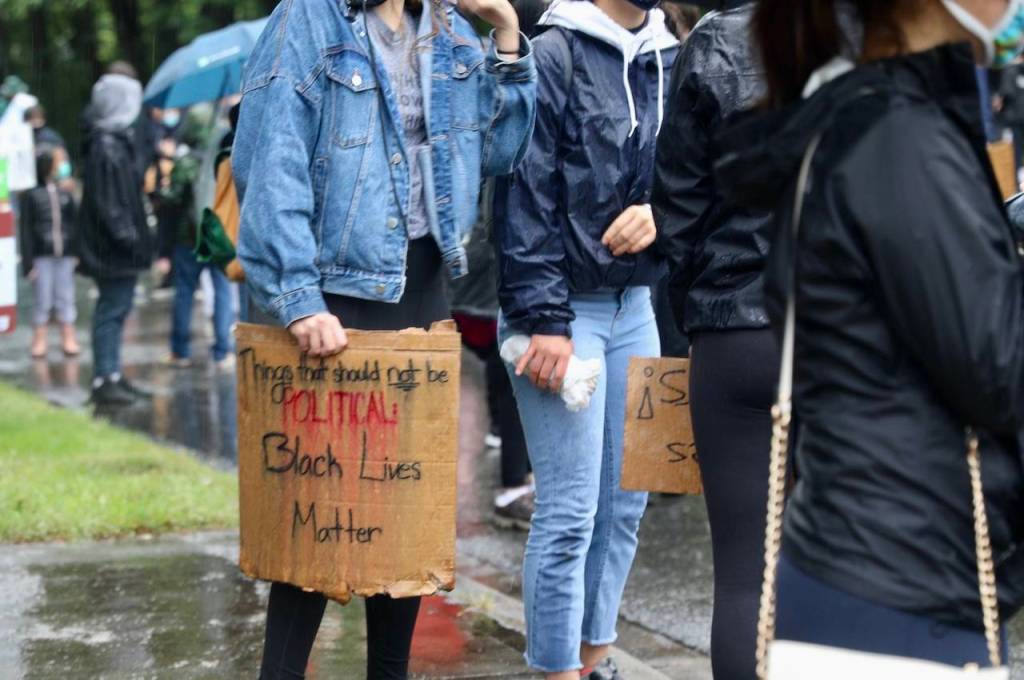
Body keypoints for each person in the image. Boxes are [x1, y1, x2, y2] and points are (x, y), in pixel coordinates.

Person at [714, 0, 1024, 669]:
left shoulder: (878, 123)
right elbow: (1000, 370)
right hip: (895, 585)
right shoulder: (898, 139)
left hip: (882, 574)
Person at [232, 0, 536, 676]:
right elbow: (269, 158)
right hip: (334, 300)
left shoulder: (453, 29)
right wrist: (297, 295)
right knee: (314, 523)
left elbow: (501, 151)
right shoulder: (307, 20)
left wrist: (508, 37)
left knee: (403, 524)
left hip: (423, 290)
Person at [493, 0, 677, 676]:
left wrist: (660, 212)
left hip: (637, 305)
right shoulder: (554, 54)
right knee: (571, 512)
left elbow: (692, 177)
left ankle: (596, 657)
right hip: (563, 310)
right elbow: (522, 194)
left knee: (628, 503)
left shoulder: (669, 55)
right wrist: (545, 319)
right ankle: (555, 669)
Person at [651, 3, 775, 679]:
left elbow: (677, 206)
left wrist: (694, 317)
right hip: (851, 338)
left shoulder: (717, 39)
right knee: (845, 572)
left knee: (742, 576)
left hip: (735, 329)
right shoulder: (887, 37)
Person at [78, 69, 152, 406]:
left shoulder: (111, 141)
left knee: (117, 310)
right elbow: (111, 205)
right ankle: (105, 378)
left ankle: (112, 374)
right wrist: (132, 240)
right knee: (112, 310)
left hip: (115, 248)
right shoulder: (106, 145)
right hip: (113, 250)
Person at [156, 109, 234, 369]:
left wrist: (163, 190)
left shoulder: (186, 162)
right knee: (222, 291)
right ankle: (223, 351)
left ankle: (181, 351)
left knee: (185, 293)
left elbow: (173, 201)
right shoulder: (226, 157)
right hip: (219, 234)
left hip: (188, 238)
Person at [19, 148, 80, 359]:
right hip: (42, 255)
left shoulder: (66, 194)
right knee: (42, 298)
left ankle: (68, 337)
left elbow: (74, 223)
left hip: (64, 253)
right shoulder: (32, 195)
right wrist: (28, 262)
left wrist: (77, 252)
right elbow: (26, 230)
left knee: (66, 296)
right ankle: (39, 339)